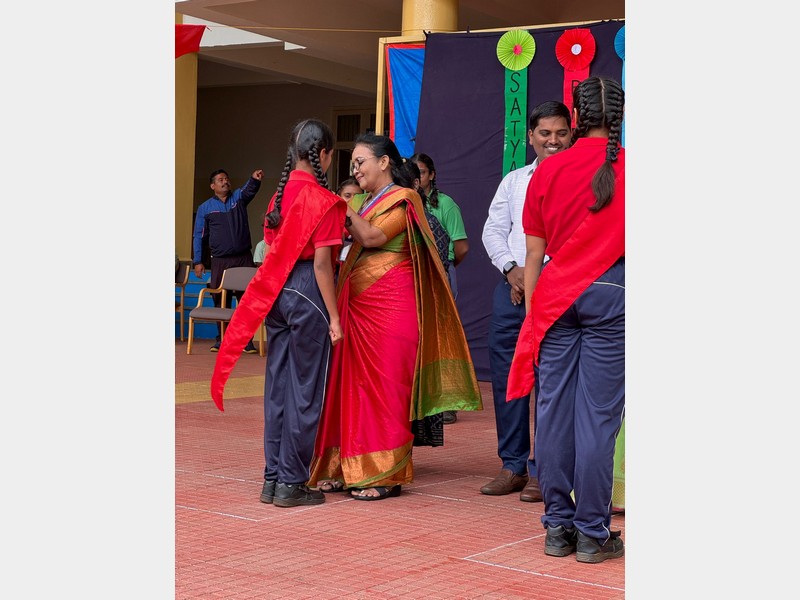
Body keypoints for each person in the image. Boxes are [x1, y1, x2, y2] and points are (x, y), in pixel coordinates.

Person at [308, 133, 482, 500]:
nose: (355, 168)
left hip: (392, 309)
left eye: (360, 162)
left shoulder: (406, 199)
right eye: (352, 163)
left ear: (384, 162)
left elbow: (371, 237)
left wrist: (342, 209)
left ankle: (385, 474)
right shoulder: (360, 200)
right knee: (350, 387)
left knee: (385, 388)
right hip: (356, 308)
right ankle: (344, 465)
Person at [508, 76, 625, 563]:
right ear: (619, 116)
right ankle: (593, 533)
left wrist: (534, 316)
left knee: (552, 414)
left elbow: (532, 254)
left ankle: (557, 528)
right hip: (611, 292)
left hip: (555, 297)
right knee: (597, 419)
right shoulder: (632, 167)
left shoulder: (547, 172)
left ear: (576, 118)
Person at [208, 118, 347, 508]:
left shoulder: (277, 197)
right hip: (308, 292)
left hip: (278, 294)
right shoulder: (325, 201)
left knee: (278, 390)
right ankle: (292, 482)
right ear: (323, 155)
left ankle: (272, 478)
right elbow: (323, 265)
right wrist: (335, 318)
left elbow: (270, 252)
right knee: (306, 391)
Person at [480, 101, 572, 502]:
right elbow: (492, 231)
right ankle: (513, 466)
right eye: (544, 133)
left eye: (561, 133)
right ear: (529, 136)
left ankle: (545, 470)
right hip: (511, 291)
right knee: (508, 379)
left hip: (559, 290)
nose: (552, 140)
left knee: (553, 382)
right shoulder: (514, 181)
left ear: (572, 134)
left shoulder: (583, 178)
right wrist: (512, 271)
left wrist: (539, 277)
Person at [411, 152, 468, 425]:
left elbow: (461, 246)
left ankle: (448, 402)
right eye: (412, 173)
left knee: (442, 335)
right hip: (413, 275)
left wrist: (445, 266)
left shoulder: (445, 205)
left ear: (431, 175)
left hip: (442, 272)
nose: (417, 178)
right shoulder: (406, 203)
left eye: (421, 172)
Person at [192, 167, 263, 354]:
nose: (225, 181)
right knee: (220, 300)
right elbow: (199, 236)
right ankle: (221, 340)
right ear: (212, 185)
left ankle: (246, 342)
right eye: (221, 179)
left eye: (227, 178)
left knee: (246, 300)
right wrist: (198, 261)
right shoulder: (205, 208)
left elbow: (249, 190)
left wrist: (254, 180)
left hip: (243, 258)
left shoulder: (238, 198)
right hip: (220, 261)